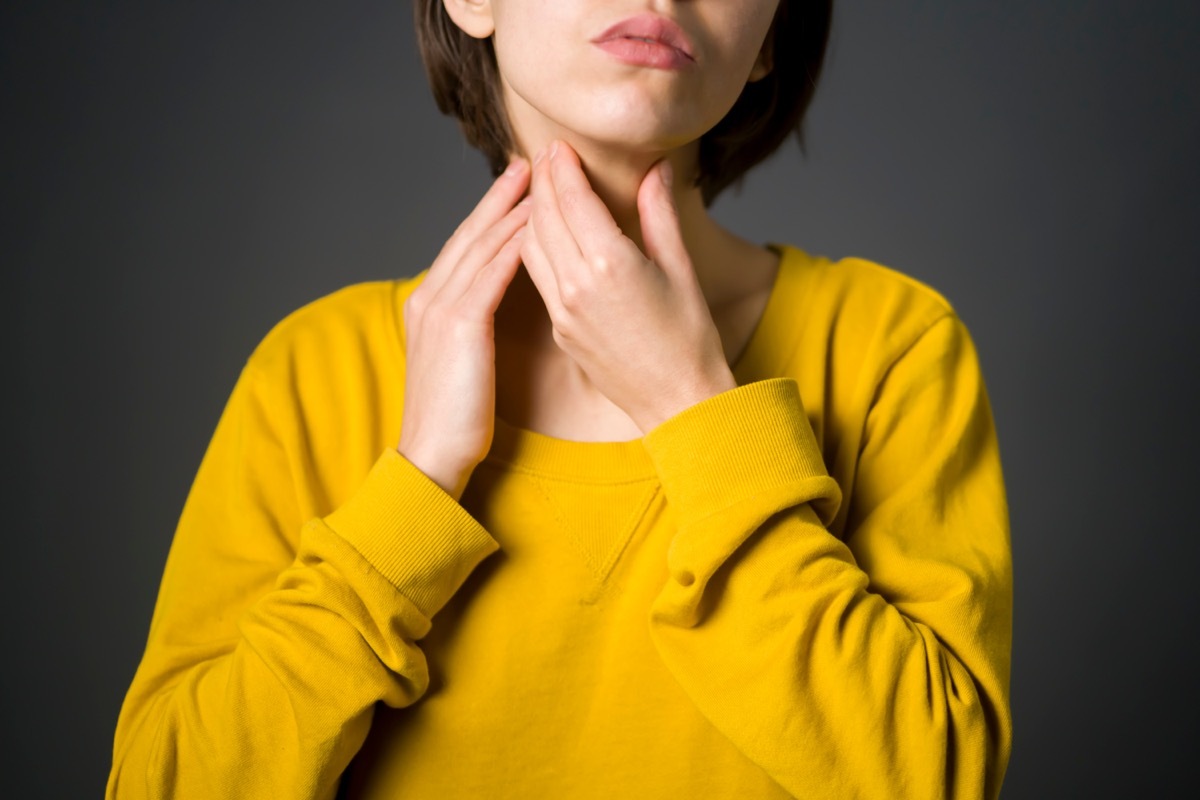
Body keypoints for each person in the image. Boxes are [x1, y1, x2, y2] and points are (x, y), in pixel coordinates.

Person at [107, 0, 1013, 797]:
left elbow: (935, 777)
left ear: (771, 37)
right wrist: (413, 491)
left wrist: (693, 406)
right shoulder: (314, 372)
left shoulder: (890, 347)